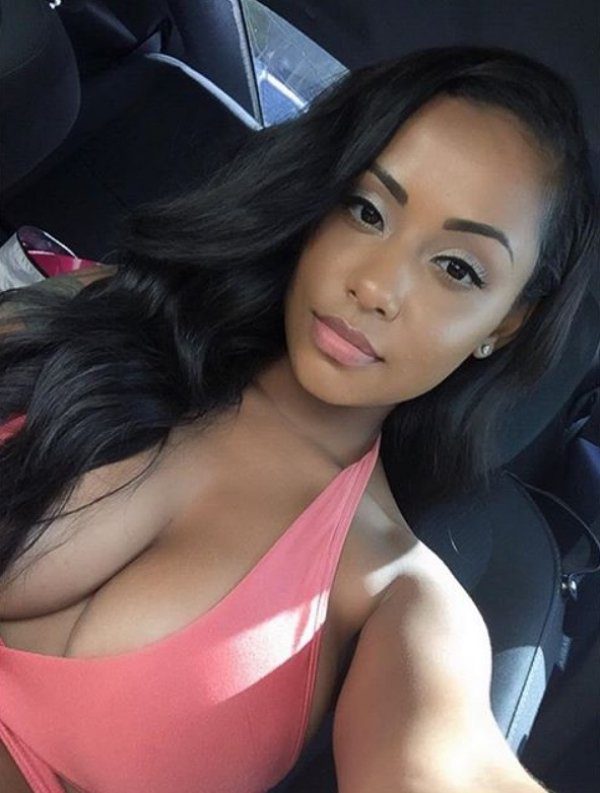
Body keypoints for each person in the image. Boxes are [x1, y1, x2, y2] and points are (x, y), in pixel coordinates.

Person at [0, 45, 597, 793]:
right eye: (367, 210)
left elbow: (446, 767)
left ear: (504, 324)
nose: (376, 286)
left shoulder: (399, 594)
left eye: (457, 268)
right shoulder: (103, 309)